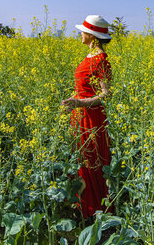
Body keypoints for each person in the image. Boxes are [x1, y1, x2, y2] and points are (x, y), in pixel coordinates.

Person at [62, 15, 113, 219]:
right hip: (80, 117)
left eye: (83, 31)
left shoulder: (101, 60)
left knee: (92, 162)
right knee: (81, 162)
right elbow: (83, 89)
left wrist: (80, 103)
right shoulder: (89, 57)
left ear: (92, 36)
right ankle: (82, 208)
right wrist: (72, 99)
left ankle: (95, 212)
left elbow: (105, 95)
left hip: (92, 120)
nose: (80, 33)